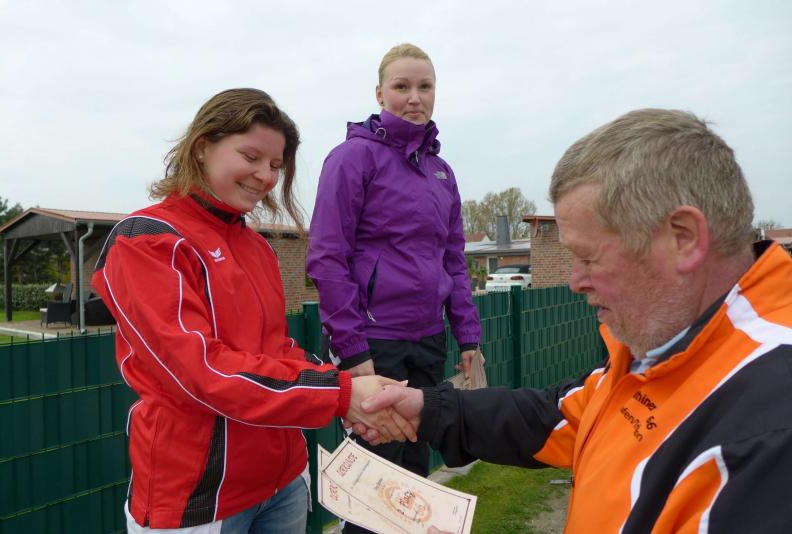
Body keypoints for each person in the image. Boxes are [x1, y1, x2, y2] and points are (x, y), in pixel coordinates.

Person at [356, 109, 792, 533]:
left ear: (684, 239)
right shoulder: (665, 350)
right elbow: (555, 416)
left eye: (588, 257)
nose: (575, 282)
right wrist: (427, 409)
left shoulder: (769, 428)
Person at [91, 88, 414, 533]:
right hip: (199, 499)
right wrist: (340, 394)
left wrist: (356, 396)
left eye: (276, 165)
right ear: (202, 147)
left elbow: (277, 350)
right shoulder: (146, 239)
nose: (265, 176)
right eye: (251, 156)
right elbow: (201, 372)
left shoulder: (258, 247)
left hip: (284, 480)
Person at [306, 43, 482, 531]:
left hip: (427, 339)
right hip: (374, 341)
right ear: (380, 93)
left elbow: (454, 260)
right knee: (374, 476)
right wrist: (352, 349)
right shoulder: (352, 158)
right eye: (402, 86)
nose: (414, 97)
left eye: (425, 86)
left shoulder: (441, 172)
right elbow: (327, 258)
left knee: (414, 472)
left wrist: (468, 336)